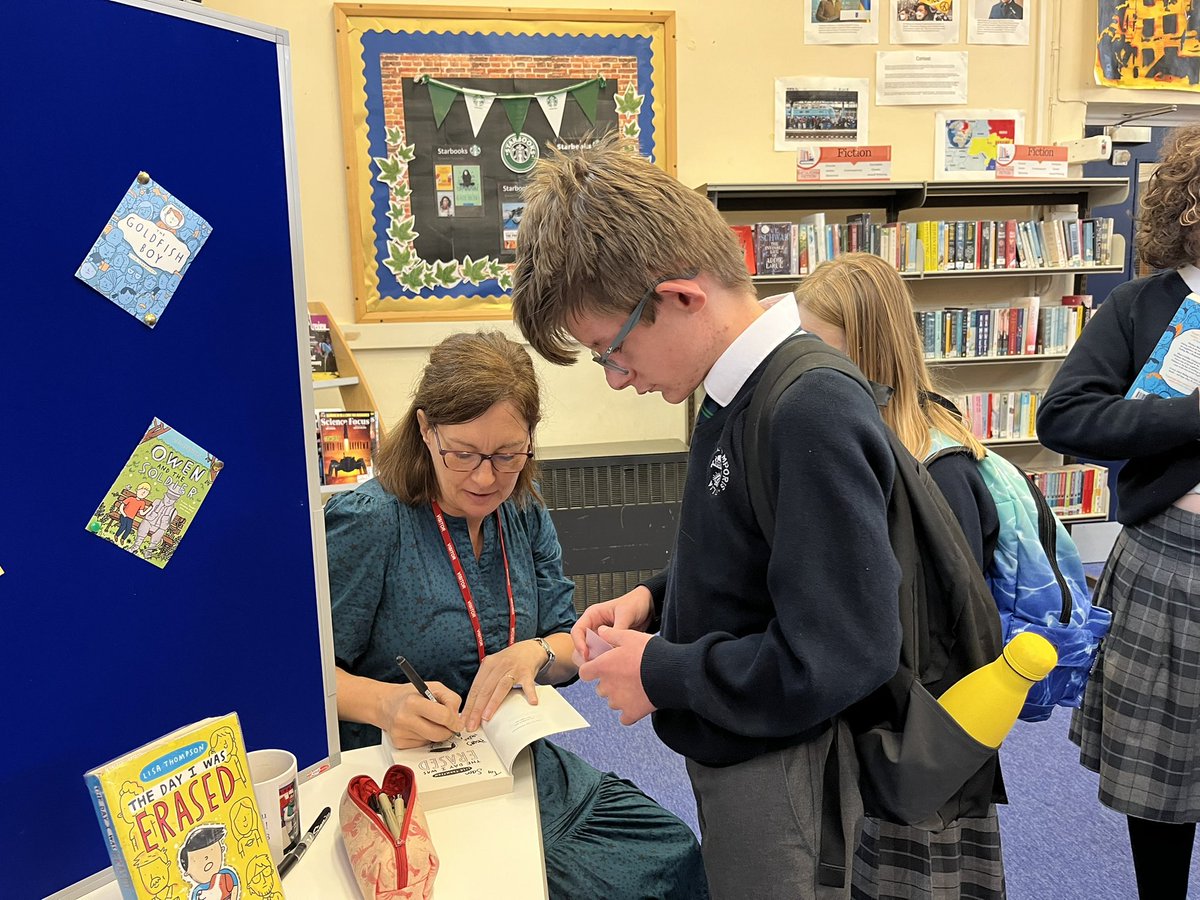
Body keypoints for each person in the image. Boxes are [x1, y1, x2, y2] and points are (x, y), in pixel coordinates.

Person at [510, 133, 903, 898]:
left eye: (611, 351)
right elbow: (757, 549)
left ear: (682, 299)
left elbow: (844, 652)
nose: (618, 380)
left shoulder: (805, 406)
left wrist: (660, 669)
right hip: (739, 746)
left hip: (787, 768)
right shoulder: (733, 392)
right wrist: (657, 599)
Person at [326, 330, 708, 900]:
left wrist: (534, 653)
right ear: (427, 429)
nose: (485, 478)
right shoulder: (371, 522)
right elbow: (305, 677)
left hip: (519, 764)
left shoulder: (521, 509)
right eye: (463, 454)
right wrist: (388, 702)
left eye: (508, 455)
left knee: (673, 855)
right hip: (405, 784)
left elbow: (566, 643)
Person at [792, 252, 1007, 899]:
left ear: (870, 356)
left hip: (920, 741)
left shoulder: (939, 468)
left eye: (820, 351)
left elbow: (942, 633)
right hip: (871, 719)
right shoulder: (851, 444)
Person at [1036, 123, 1200, 900]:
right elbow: (1064, 417)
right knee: (1163, 779)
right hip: (1171, 558)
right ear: (1191, 208)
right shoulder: (1143, 308)